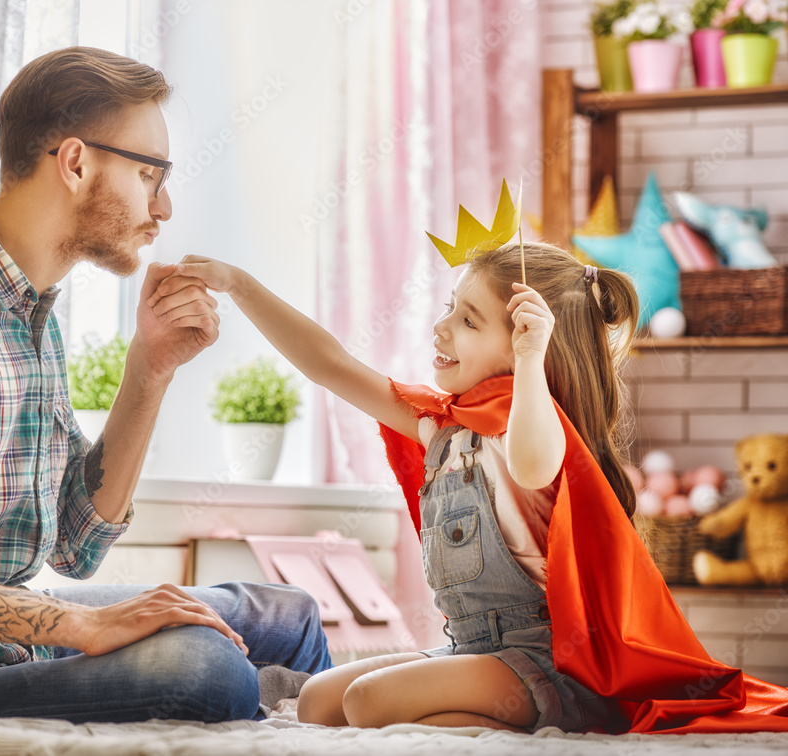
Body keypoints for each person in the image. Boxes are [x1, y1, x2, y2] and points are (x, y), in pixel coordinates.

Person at [0, 46, 330, 724]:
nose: (163, 206)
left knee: (289, 613)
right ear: (76, 162)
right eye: (149, 174)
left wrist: (151, 365)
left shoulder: (34, 319)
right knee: (208, 666)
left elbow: (75, 546)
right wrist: (75, 626)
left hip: (10, 641)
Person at [151, 242, 788, 733]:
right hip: (476, 651)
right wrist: (239, 286)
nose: (442, 329)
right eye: (450, 310)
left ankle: (564, 726)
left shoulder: (530, 431)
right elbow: (332, 364)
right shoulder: (442, 427)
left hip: (548, 668)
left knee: (370, 701)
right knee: (320, 701)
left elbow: (538, 465)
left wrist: (534, 362)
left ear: (525, 347)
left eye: (468, 320)